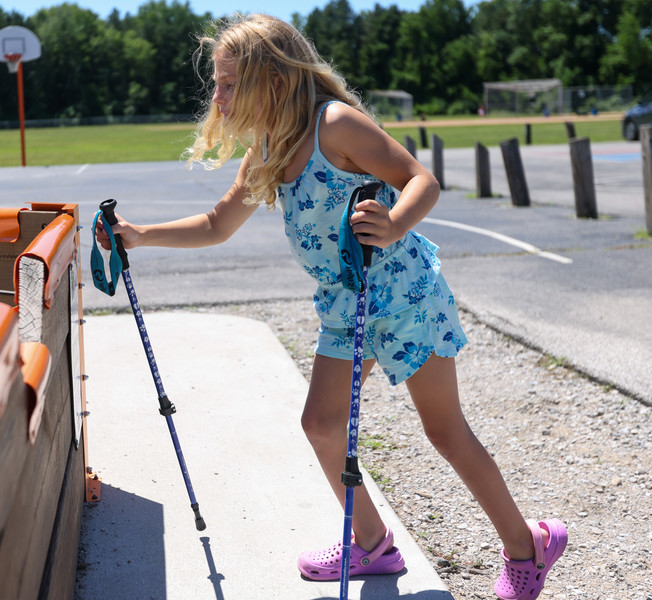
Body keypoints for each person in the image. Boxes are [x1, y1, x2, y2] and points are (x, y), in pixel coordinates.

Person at [95, 14, 567, 600]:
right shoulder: (269, 147)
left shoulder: (335, 125)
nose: (217, 97)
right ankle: (372, 544)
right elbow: (218, 224)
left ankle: (529, 546)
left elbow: (421, 179)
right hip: (345, 307)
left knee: (444, 431)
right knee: (321, 425)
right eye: (217, 83)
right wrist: (139, 235)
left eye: (229, 83)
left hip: (402, 295)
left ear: (275, 77)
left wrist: (394, 222)